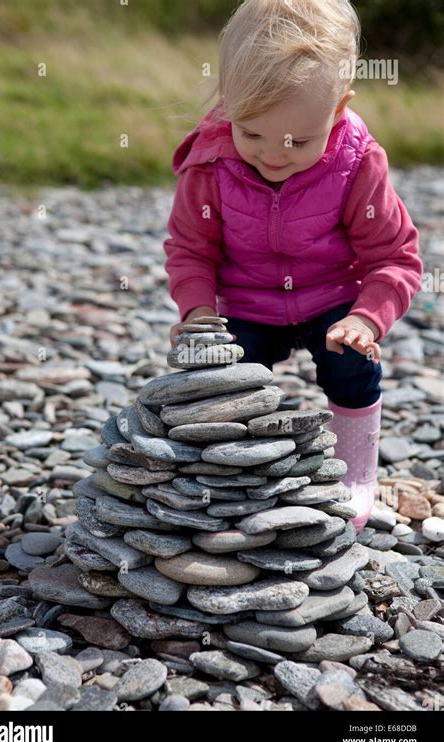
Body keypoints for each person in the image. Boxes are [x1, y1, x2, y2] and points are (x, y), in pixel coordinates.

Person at [164, 0, 422, 532]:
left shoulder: (357, 163)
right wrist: (195, 312)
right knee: (217, 378)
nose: (273, 155)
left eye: (298, 141)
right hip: (248, 303)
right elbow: (191, 249)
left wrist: (367, 318)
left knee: (351, 365)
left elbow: (394, 257)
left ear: (340, 107)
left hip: (332, 301)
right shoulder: (210, 163)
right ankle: (229, 477)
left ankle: (356, 469)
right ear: (228, 104)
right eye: (252, 134)